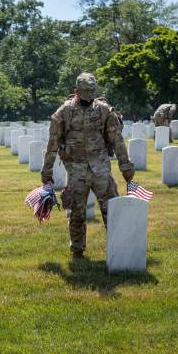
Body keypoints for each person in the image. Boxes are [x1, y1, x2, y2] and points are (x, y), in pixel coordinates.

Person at [41, 73, 134, 259]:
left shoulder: (104, 110)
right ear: (76, 91)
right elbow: (53, 143)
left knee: (111, 209)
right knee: (76, 211)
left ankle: (120, 247)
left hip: (101, 168)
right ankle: (77, 250)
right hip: (76, 170)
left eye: (91, 92)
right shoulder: (64, 112)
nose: (88, 96)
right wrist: (47, 170)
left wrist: (125, 165)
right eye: (84, 92)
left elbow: (117, 139)